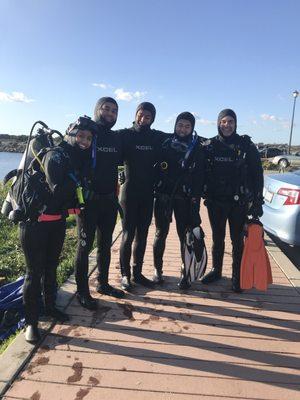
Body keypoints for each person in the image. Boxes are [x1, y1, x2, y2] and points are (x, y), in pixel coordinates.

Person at [21, 116, 97, 343]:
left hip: (56, 221)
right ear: (70, 134)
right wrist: (78, 181)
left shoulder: (76, 159)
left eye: (89, 138)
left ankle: (50, 306)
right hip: (35, 222)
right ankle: (31, 323)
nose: (84, 141)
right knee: (34, 273)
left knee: (51, 266)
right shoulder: (56, 155)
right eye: (81, 136)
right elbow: (57, 190)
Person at [201, 108, 264, 292]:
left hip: (239, 202)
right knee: (217, 238)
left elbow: (257, 174)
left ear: (235, 124)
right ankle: (216, 270)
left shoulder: (245, 145)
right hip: (215, 201)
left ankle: (238, 276)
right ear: (218, 123)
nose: (227, 125)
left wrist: (257, 201)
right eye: (223, 121)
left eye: (230, 122)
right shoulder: (210, 145)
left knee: (237, 240)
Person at [74, 97, 125, 308]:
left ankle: (102, 283)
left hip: (109, 201)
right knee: (84, 247)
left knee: (105, 244)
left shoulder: (116, 139)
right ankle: (82, 292)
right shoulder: (87, 133)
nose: (110, 114)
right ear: (97, 109)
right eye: (106, 109)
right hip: (88, 203)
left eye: (114, 111)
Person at [153, 112, 205, 289]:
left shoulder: (197, 147)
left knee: (184, 235)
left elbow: (200, 176)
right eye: (180, 125)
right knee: (160, 233)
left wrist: (195, 199)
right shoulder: (165, 143)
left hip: (185, 198)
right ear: (175, 125)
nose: (183, 129)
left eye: (187, 126)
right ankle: (157, 270)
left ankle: (185, 271)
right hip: (164, 197)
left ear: (192, 128)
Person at [118, 102, 166, 291]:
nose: (143, 118)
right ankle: (125, 275)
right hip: (129, 193)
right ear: (135, 114)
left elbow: (179, 136)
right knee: (128, 234)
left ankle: (137, 273)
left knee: (143, 235)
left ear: (152, 118)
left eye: (147, 116)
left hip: (147, 194)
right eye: (140, 114)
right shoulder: (125, 135)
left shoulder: (156, 137)